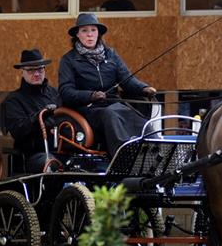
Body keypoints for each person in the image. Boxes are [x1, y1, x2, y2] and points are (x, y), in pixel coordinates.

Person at [58, 13, 156, 157]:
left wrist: (144, 88)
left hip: (114, 104)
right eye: (85, 31)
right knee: (110, 115)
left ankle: (153, 154)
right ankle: (123, 157)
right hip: (88, 109)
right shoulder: (68, 60)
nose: (89, 35)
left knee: (138, 118)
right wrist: (91, 96)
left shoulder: (111, 54)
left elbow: (127, 79)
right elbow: (65, 91)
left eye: (93, 30)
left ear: (98, 33)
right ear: (77, 35)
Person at [2, 49, 61, 173]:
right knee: (50, 163)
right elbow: (18, 131)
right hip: (32, 156)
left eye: (40, 69)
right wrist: (40, 116)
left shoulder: (56, 94)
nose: (36, 74)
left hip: (61, 151)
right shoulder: (14, 100)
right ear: (22, 72)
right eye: (30, 70)